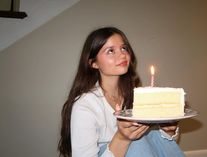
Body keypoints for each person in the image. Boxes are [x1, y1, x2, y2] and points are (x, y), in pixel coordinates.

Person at [58, 26, 185, 157]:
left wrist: (169, 131)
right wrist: (122, 138)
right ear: (93, 63)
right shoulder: (84, 106)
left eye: (124, 48)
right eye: (110, 51)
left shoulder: (136, 96)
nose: (122, 54)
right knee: (137, 143)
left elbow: (156, 146)